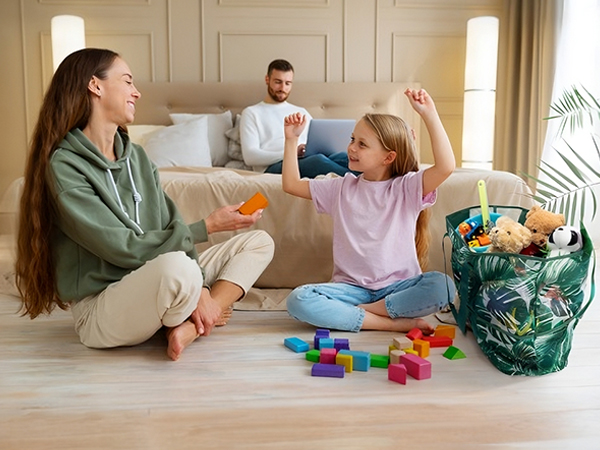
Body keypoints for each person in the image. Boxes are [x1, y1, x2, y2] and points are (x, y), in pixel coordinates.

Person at [15, 48, 274, 361]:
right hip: (103, 307)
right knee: (178, 269)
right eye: (127, 81)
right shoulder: (64, 166)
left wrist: (205, 291)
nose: (136, 92)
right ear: (95, 86)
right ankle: (188, 314)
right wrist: (208, 227)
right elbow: (120, 247)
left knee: (259, 242)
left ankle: (192, 323)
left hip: (153, 277)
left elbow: (170, 224)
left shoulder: (137, 157)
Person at [281, 88, 456, 333]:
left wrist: (430, 114)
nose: (351, 148)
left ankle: (364, 312)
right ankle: (391, 324)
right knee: (298, 299)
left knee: (444, 286)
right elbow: (291, 185)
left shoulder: (406, 188)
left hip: (398, 289)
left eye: (362, 144)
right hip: (351, 291)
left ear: (388, 157)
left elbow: (446, 166)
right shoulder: (340, 188)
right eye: (353, 139)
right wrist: (291, 140)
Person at [240, 59, 350, 178]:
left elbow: (317, 142)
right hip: (273, 166)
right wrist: (291, 152)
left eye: (288, 83)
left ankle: (367, 179)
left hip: (307, 157)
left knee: (344, 157)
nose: (283, 88)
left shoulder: (301, 111)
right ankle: (359, 181)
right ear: (267, 79)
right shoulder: (251, 113)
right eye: (278, 82)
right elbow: (250, 157)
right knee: (318, 161)